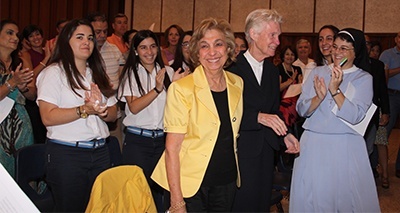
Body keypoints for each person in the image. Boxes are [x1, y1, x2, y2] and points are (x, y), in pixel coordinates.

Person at [151, 17, 243, 212]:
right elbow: (172, 150)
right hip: (190, 186)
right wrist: (177, 201)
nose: (212, 52)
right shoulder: (182, 89)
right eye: (204, 46)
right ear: (196, 53)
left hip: (226, 180)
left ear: (228, 48)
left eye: (218, 44)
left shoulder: (237, 84)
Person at [290, 28, 380, 212]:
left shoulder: (363, 78)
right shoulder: (317, 72)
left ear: (356, 53)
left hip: (345, 146)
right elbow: (301, 109)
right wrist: (318, 98)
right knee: (312, 197)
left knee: (344, 198)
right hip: (314, 144)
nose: (338, 52)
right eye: (336, 47)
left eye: (345, 48)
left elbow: (356, 116)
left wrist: (335, 90)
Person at [36, 19, 118, 212]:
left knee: (98, 208)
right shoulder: (53, 73)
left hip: (100, 152)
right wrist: (84, 110)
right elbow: (47, 117)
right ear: (66, 41)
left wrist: (102, 110)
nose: (87, 42)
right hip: (68, 154)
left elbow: (114, 114)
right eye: (79, 37)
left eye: (90, 38)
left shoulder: (96, 72)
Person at [228, 9, 300, 212]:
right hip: (240, 154)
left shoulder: (271, 71)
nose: (277, 42)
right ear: (253, 34)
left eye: (278, 36)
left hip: (266, 154)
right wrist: (257, 117)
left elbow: (273, 111)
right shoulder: (231, 69)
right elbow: (224, 114)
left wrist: (284, 135)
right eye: (272, 35)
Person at [118, 29, 185, 212]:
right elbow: (134, 107)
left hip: (163, 140)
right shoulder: (130, 73)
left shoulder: (169, 72)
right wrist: (156, 89)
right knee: (138, 192)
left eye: (153, 46)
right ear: (135, 51)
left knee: (162, 191)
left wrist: (178, 87)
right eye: (143, 47)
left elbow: (177, 107)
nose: (149, 52)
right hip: (138, 141)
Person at [0, 19, 35, 177]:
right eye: (9, 33)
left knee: (23, 171)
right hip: (1, 126)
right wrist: (12, 83)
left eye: (17, 34)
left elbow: (33, 95)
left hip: (21, 124)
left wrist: (23, 88)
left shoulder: (21, 62)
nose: (15, 37)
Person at [87, 12, 126, 146]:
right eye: (98, 32)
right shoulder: (83, 52)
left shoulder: (114, 50)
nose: (102, 35)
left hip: (112, 111)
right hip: (89, 113)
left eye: (104, 31)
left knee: (115, 150)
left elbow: (122, 77)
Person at [364, 34, 390, 188]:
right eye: (364, 43)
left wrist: (385, 111)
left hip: (373, 113)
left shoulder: (377, 65)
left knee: (370, 147)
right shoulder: (351, 64)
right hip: (353, 115)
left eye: (369, 43)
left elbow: (382, 90)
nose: (367, 46)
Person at [21, 24, 51, 144]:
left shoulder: (50, 51)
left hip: (50, 96)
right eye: (31, 36)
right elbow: (30, 75)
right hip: (33, 99)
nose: (35, 38)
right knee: (38, 135)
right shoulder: (26, 54)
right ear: (27, 40)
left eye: (37, 34)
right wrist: (46, 59)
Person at [379, 31, 400, 179]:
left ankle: (399, 167)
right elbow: (383, 75)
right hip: (391, 95)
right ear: (396, 39)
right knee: (383, 133)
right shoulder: (387, 54)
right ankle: (380, 165)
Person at [277, 46, 302, 132]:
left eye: (292, 54)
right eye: (287, 54)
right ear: (283, 56)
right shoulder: (278, 68)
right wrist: (290, 81)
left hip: (294, 102)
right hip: (281, 104)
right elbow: (277, 88)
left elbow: (300, 85)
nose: (289, 57)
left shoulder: (297, 69)